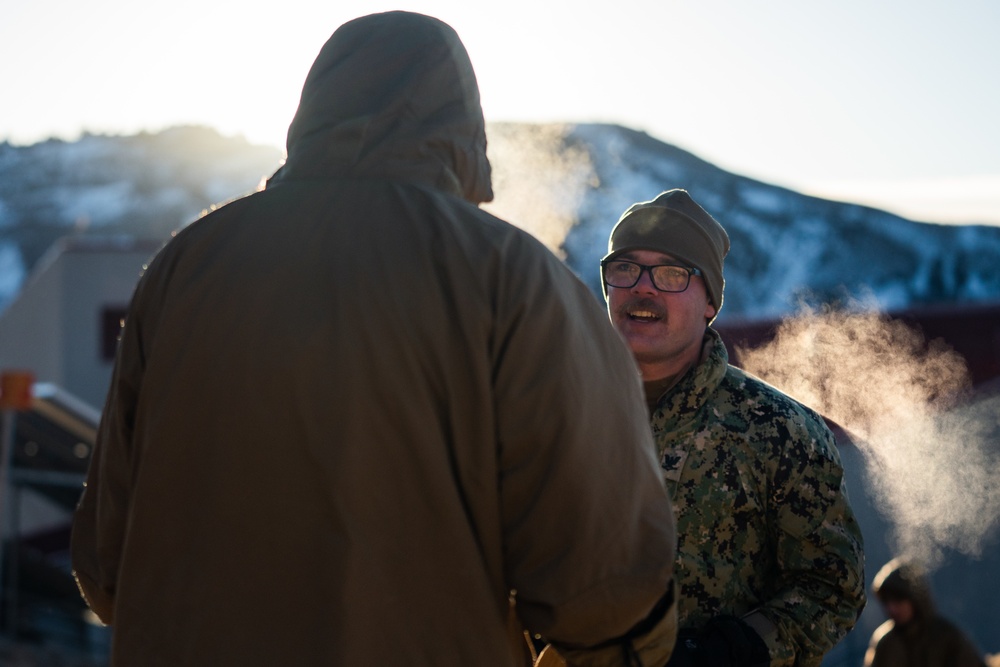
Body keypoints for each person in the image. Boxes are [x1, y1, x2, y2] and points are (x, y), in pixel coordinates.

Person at [71, 12, 680, 666]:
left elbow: (108, 568)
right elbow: (602, 591)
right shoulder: (513, 276)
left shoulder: (184, 267)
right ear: (460, 126)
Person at [599, 189, 866, 666]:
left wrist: (734, 651)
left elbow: (832, 587)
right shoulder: (553, 411)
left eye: (671, 272)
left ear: (710, 303)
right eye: (625, 268)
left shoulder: (780, 431)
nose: (644, 287)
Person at [864, 557, 987, 667]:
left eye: (898, 600)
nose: (891, 608)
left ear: (916, 599)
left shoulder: (947, 638)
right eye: (887, 601)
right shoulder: (886, 643)